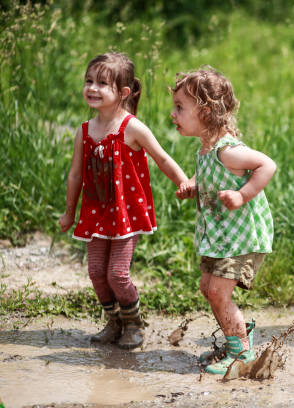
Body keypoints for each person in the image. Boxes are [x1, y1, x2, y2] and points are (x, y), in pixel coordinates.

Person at [59, 52, 189, 350]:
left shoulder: (132, 127)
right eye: (89, 81)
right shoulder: (84, 130)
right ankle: (114, 321)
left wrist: (183, 181)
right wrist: (69, 212)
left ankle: (133, 323)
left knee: (117, 274)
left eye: (102, 83)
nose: (92, 88)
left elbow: (162, 158)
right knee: (96, 273)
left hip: (126, 215)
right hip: (95, 212)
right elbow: (75, 176)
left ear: (124, 92)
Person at [172, 67, 276, 375]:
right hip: (221, 237)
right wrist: (193, 183)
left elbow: (266, 165)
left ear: (205, 112)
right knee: (209, 288)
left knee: (218, 292)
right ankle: (238, 339)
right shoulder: (206, 150)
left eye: (180, 108)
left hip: (241, 238)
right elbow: (207, 175)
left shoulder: (228, 151)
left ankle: (242, 354)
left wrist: (243, 195)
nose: (172, 114)